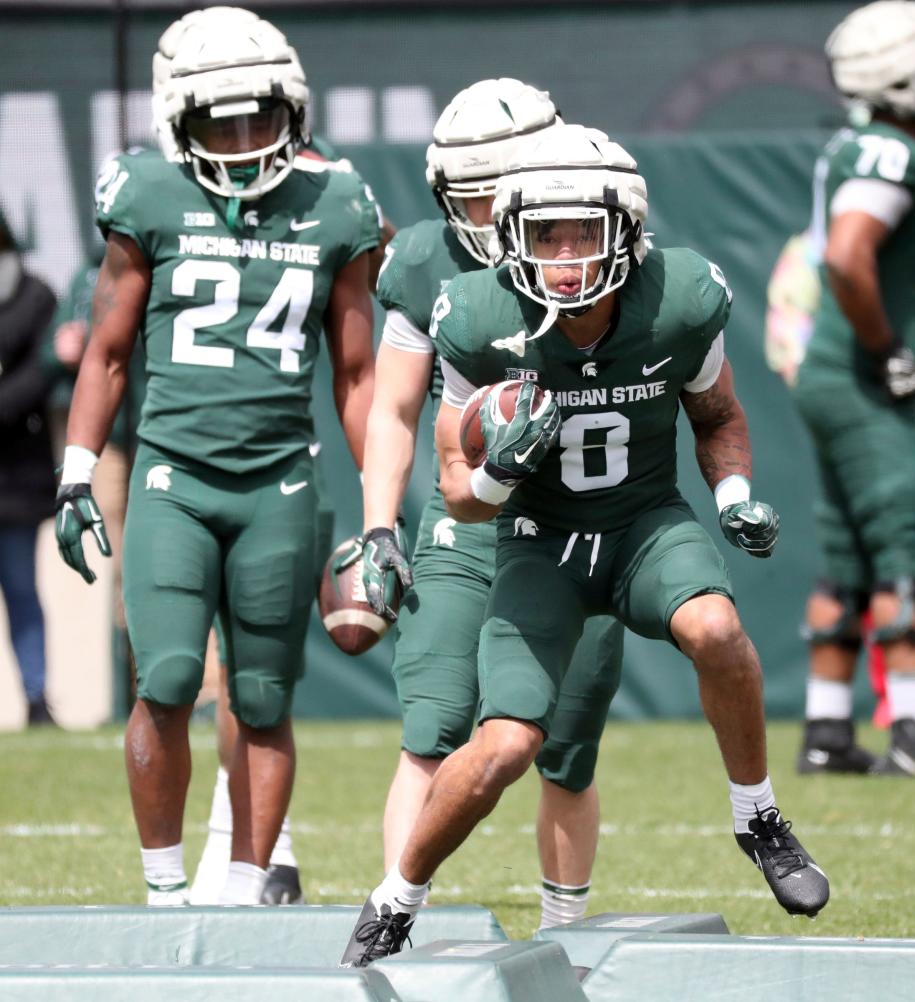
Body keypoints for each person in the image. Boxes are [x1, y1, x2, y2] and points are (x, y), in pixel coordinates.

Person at [339, 123, 830, 967]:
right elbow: (457, 483)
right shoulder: (479, 314)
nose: (563, 254)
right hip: (539, 540)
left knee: (714, 629)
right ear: (511, 238)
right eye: (543, 233)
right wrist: (498, 475)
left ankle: (759, 816)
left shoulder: (680, 296)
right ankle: (395, 898)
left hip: (646, 524)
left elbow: (717, 417)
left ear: (627, 234)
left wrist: (736, 493)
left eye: (583, 232)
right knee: (503, 747)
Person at [54, 7, 380, 905]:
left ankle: (242, 888)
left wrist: (385, 511)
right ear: (177, 119)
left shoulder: (338, 203)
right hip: (173, 476)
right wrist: (78, 467)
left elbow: (357, 375)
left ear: (295, 110)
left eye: (258, 118)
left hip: (281, 480)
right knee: (163, 677)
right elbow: (110, 351)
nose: (241, 141)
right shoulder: (147, 193)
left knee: (264, 696)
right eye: (217, 121)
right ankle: (164, 891)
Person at [356, 79, 624, 930]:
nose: (484, 212)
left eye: (497, 189)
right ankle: (397, 919)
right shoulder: (425, 261)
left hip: (577, 520)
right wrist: (376, 524)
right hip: (463, 516)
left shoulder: (608, 245)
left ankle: (566, 932)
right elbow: (395, 409)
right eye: (467, 197)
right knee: (430, 727)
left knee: (566, 749)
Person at [792, 0, 915, 776]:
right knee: (901, 546)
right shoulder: (892, 153)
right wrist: (890, 349)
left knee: (846, 554)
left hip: (833, 378)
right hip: (865, 381)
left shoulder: (861, 144)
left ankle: (827, 733)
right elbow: (850, 257)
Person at [765, 213, 915, 740]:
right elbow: (788, 325)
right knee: (896, 561)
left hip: (908, 427)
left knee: (848, 566)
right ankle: (909, 725)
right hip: (893, 427)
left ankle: (827, 729)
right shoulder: (830, 243)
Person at [0, 212, 58, 726]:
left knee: (21, 589)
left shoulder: (36, 297)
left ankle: (38, 696)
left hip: (16, 484)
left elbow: (41, 374)